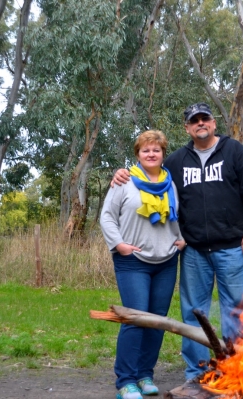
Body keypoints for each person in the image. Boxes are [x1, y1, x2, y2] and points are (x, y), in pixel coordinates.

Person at [112, 103, 243, 380]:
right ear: (187, 127)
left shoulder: (234, 152)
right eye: (194, 121)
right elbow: (150, 175)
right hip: (193, 251)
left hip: (232, 247)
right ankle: (198, 373)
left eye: (205, 118)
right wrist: (122, 173)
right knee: (194, 314)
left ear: (214, 123)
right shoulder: (177, 161)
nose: (200, 123)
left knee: (237, 312)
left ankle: (237, 371)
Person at [100, 130, 186, 399]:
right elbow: (107, 217)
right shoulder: (124, 182)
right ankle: (125, 381)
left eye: (156, 150)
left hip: (166, 261)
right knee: (135, 320)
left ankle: (145, 375)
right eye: (145, 150)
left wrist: (181, 238)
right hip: (132, 261)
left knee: (155, 321)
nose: (151, 154)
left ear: (163, 154)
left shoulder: (170, 184)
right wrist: (119, 244)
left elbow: (179, 216)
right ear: (137, 154)